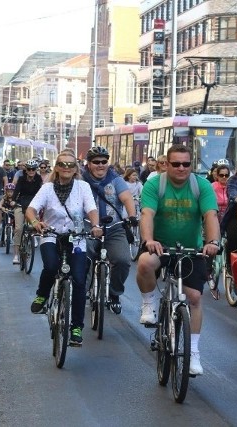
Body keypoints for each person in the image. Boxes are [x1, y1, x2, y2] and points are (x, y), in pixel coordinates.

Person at [136, 144, 220, 376]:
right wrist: (149, 240)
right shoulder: (155, 184)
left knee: (193, 297)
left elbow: (210, 215)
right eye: (176, 164)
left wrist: (212, 242)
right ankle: (148, 304)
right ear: (166, 165)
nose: (181, 168)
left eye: (186, 164)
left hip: (192, 249)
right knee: (145, 263)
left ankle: (193, 352)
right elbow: (147, 214)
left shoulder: (200, 185)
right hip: (161, 245)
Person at [25, 150, 102, 346]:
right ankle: (42, 296)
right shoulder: (47, 188)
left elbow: (91, 209)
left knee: (78, 280)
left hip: (76, 238)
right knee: (51, 266)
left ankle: (76, 327)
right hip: (51, 234)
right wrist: (35, 222)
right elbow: (31, 209)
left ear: (76, 168)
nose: (66, 168)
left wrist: (94, 226)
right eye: (63, 164)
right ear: (57, 167)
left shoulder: (82, 187)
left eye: (71, 165)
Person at [82, 146, 138, 314]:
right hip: (88, 226)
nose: (101, 165)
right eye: (96, 162)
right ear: (89, 164)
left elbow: (127, 198)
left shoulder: (116, 179)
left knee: (122, 260)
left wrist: (132, 215)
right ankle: (81, 292)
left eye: (104, 161)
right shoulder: (81, 181)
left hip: (114, 227)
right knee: (84, 259)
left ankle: (114, 294)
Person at [11, 158, 43, 263]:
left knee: (35, 222)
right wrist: (13, 200)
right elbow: (16, 192)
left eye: (33, 169)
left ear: (36, 169)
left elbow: (41, 193)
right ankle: (16, 255)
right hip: (21, 203)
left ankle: (32, 237)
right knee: (19, 228)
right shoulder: (21, 179)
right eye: (29, 169)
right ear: (26, 170)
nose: (31, 171)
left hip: (33, 205)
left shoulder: (38, 179)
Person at [0, 183, 17, 248]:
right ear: (6, 192)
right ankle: (2, 241)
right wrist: (1, 207)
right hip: (6, 213)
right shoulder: (4, 198)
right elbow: (0, 204)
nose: (10, 193)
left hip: (13, 213)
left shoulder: (15, 198)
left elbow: (18, 204)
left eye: (11, 192)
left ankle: (16, 238)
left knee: (16, 226)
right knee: (4, 226)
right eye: (8, 192)